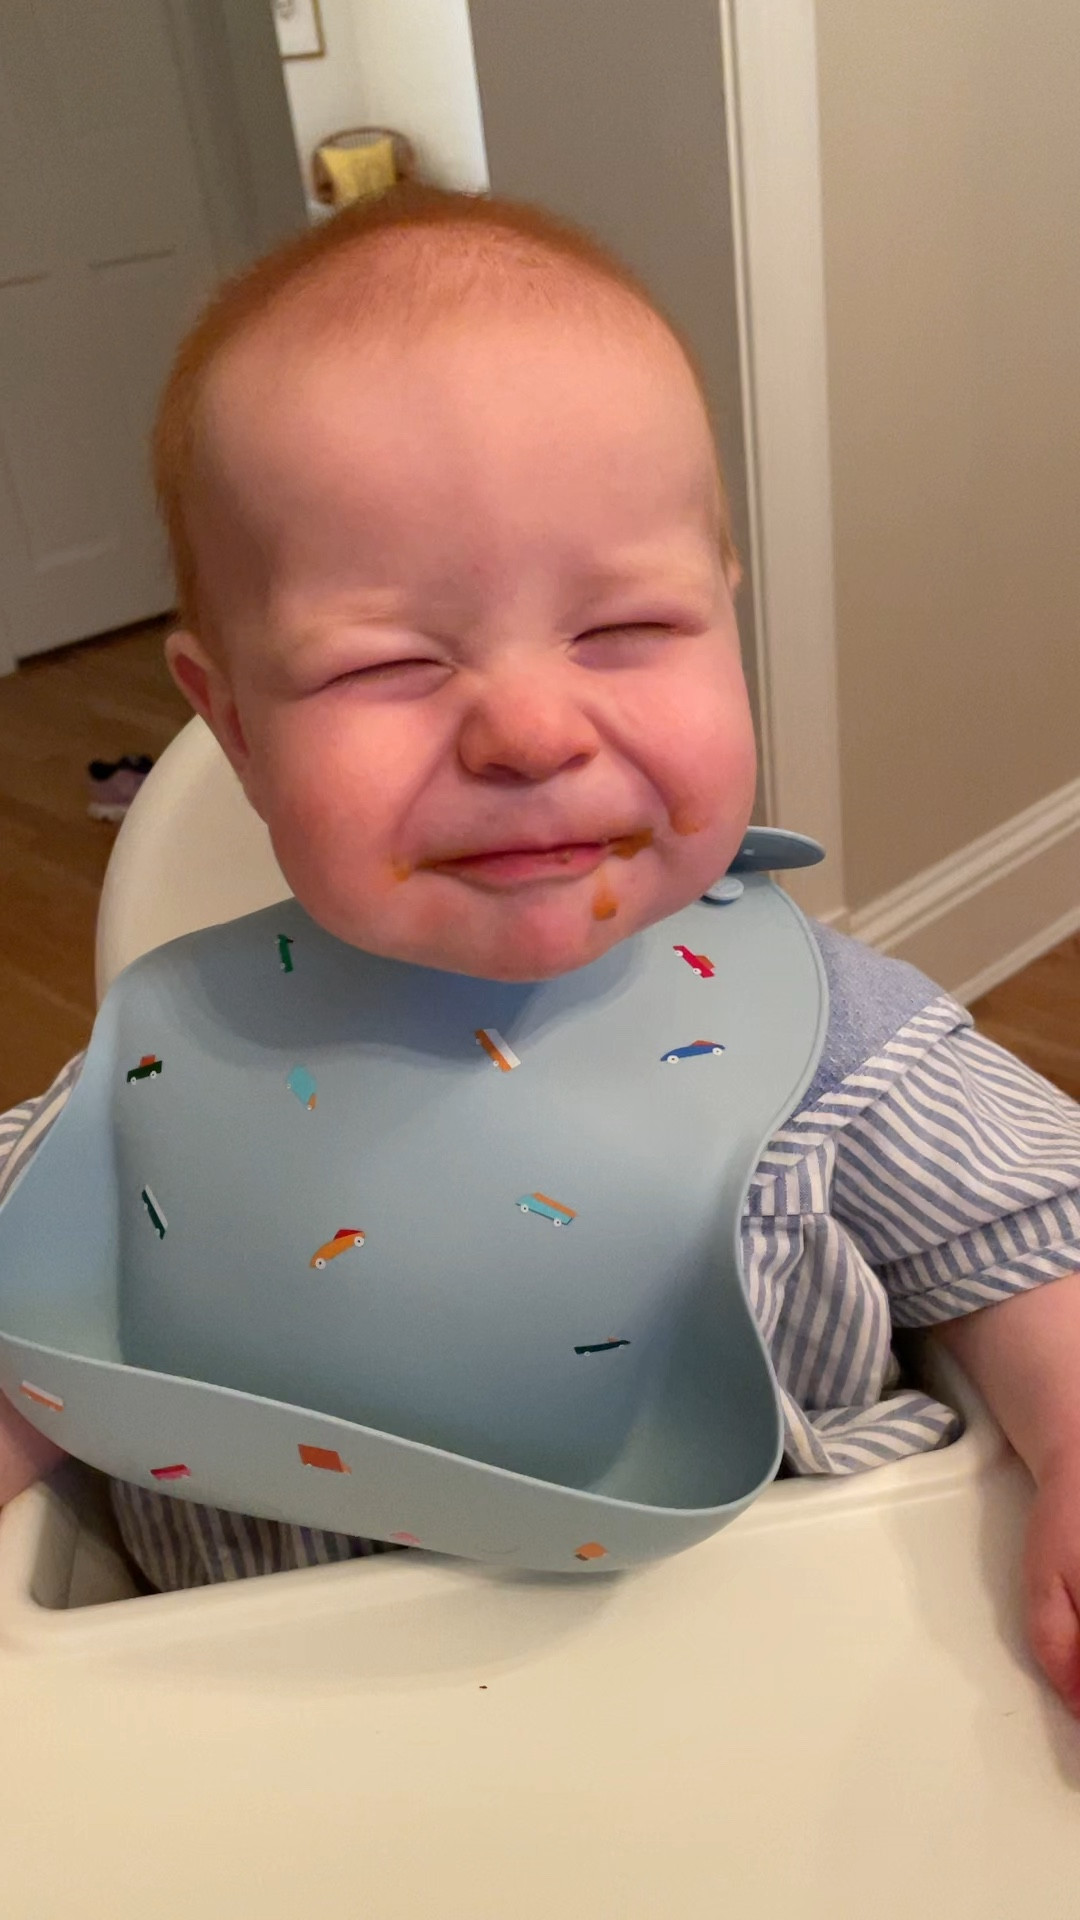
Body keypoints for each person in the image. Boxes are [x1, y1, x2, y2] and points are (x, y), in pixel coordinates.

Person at [1, 186, 1078, 1710]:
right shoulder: (163, 1073)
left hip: (793, 1709)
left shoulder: (833, 1034)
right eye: (390, 661)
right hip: (290, 1756)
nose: (527, 728)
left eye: (627, 631)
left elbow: (1035, 1239)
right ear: (231, 724)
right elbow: (31, 1324)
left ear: (725, 617)